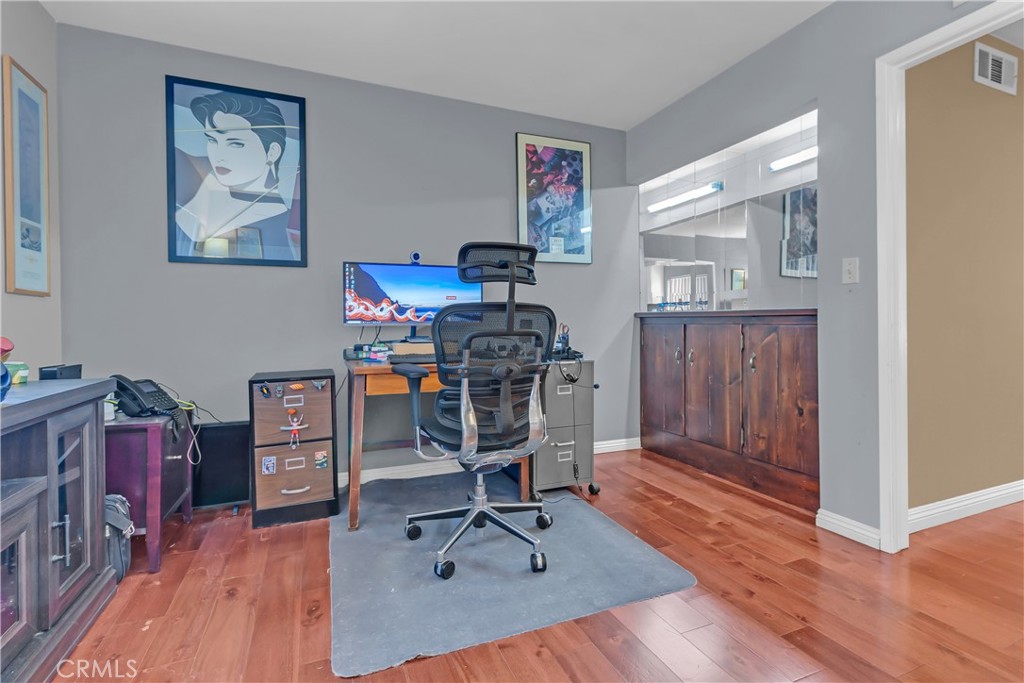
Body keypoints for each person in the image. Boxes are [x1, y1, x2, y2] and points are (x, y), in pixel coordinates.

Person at [174, 91, 294, 259]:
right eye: (212, 140)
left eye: (236, 143)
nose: (219, 155)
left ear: (272, 152)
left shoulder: (286, 226)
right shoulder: (195, 179)